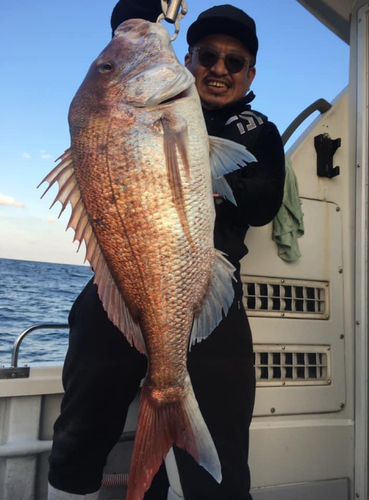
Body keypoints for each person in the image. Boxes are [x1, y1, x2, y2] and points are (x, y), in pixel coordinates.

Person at [47, 2, 285, 500]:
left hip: (209, 287)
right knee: (84, 416)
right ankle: (73, 484)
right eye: (206, 55)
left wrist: (210, 176)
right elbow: (132, 25)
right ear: (188, 59)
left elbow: (264, 203)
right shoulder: (136, 111)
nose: (219, 68)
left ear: (249, 73)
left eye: (234, 61)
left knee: (222, 432)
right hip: (123, 276)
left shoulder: (259, 130)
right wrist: (141, 15)